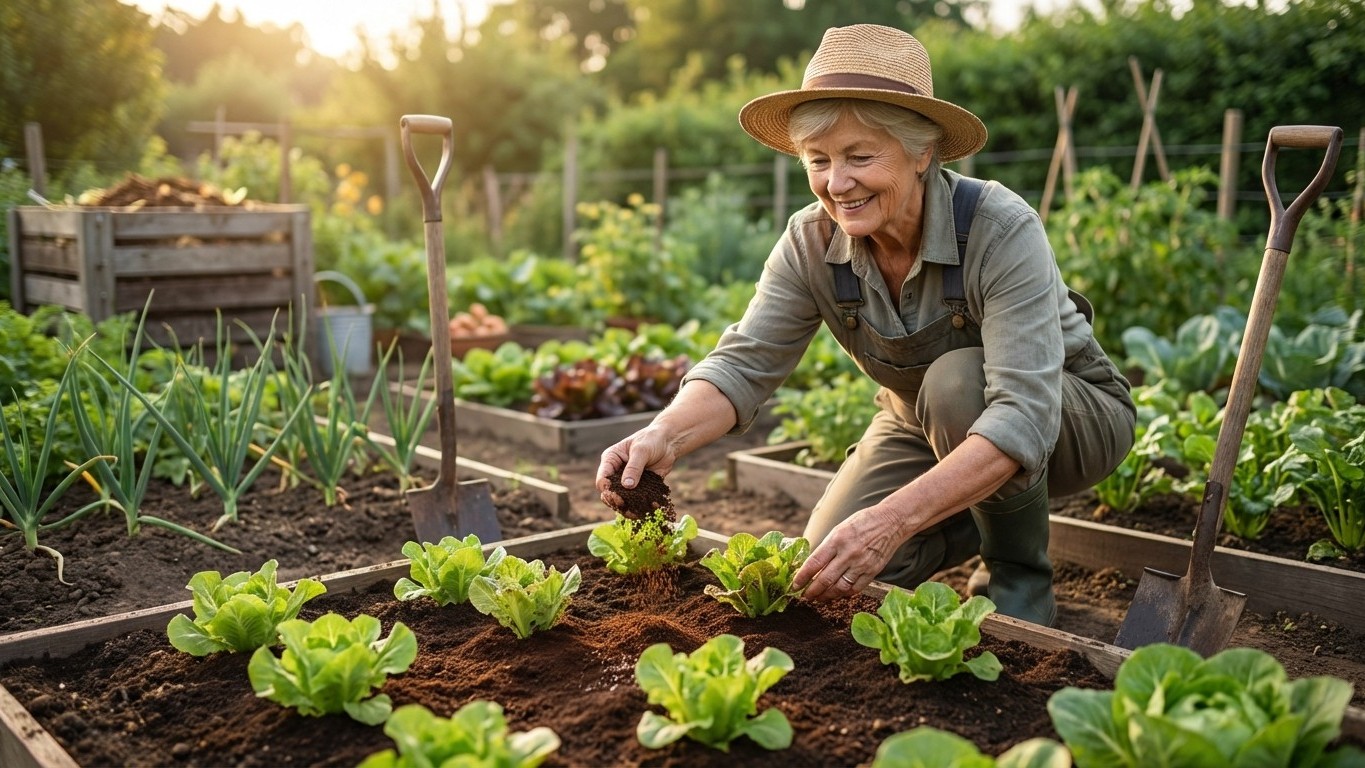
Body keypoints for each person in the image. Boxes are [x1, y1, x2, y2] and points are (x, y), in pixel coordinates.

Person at [594, 23, 1135, 627]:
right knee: (827, 572)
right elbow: (744, 361)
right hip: (915, 424)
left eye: (860, 156)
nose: (837, 183)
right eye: (818, 161)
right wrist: (663, 435)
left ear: (922, 151)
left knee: (957, 383)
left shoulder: (999, 229)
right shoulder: (812, 239)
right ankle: (962, 516)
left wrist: (893, 518)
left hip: (1071, 417)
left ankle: (1017, 577)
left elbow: (1022, 416)